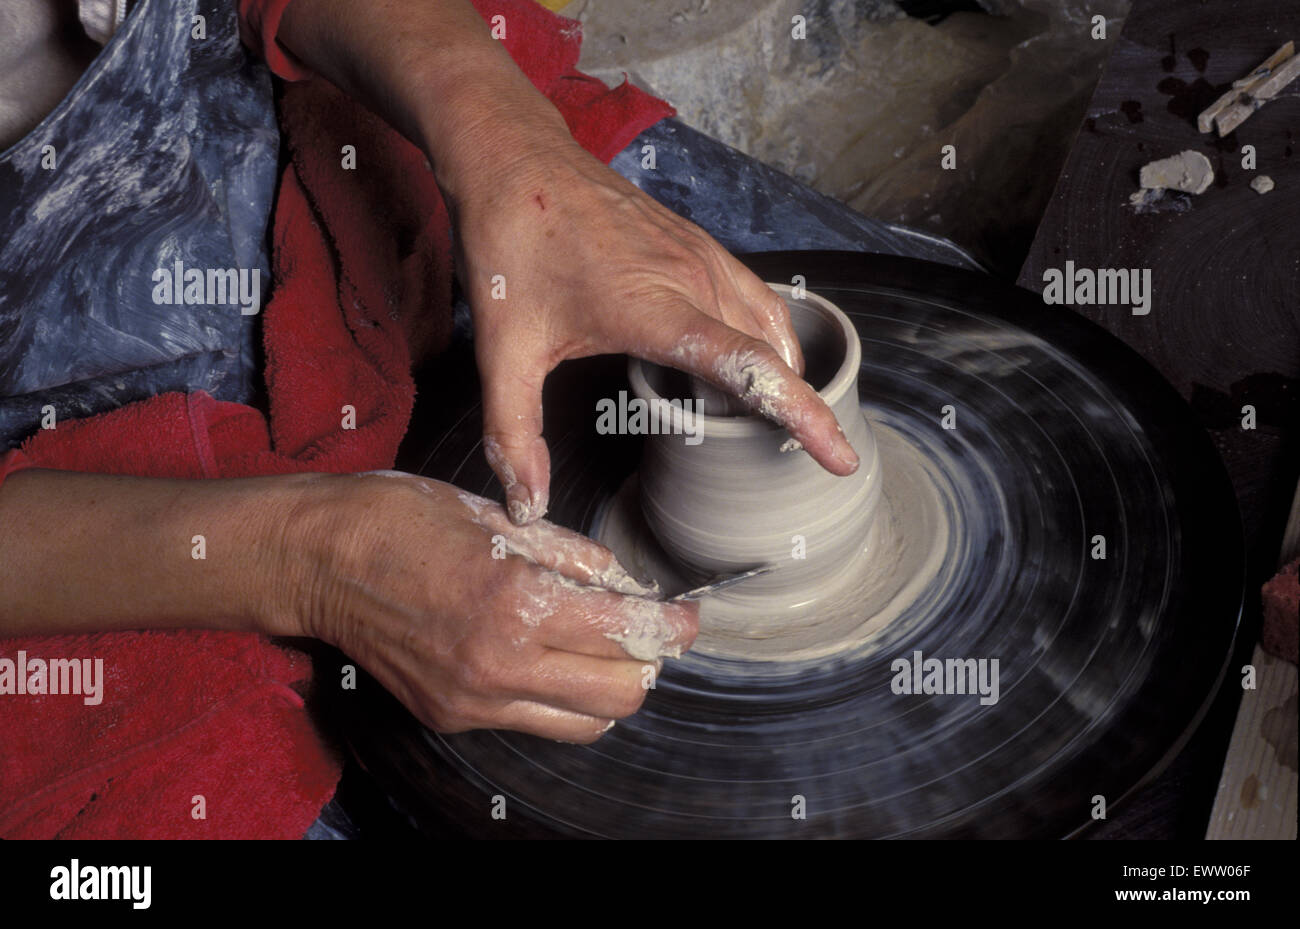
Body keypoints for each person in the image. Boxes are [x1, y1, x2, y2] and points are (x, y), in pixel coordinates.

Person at [0, 0, 860, 744]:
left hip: (308, 97)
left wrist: (511, 149)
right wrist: (313, 560)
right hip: (55, 453)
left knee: (834, 274)